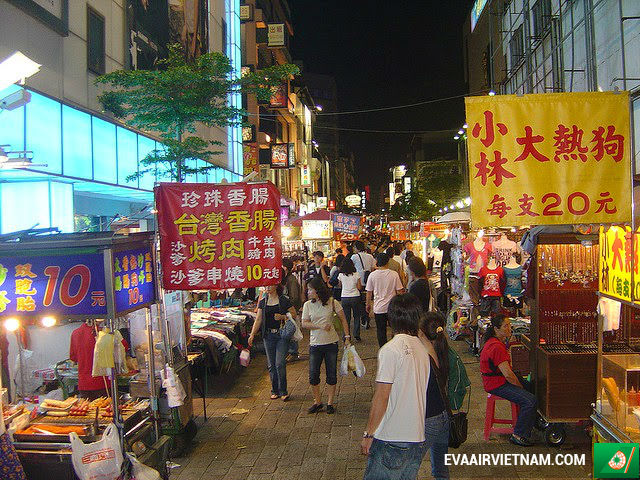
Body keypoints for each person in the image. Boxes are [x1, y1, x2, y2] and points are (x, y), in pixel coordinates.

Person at [361, 294, 431, 480]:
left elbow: (382, 396)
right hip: (416, 437)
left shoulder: (390, 350)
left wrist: (369, 433)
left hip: (391, 437)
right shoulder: (423, 350)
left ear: (391, 318)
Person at [480, 314, 536, 446]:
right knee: (530, 400)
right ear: (496, 329)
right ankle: (518, 434)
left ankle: (532, 422)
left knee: (532, 387)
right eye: (506, 326)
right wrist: (519, 387)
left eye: (509, 325)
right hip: (496, 384)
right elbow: (508, 376)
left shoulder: (495, 342)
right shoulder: (496, 347)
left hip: (497, 380)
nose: (509, 328)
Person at [301, 277, 351, 414]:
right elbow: (304, 323)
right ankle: (317, 401)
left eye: (310, 289)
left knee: (331, 374)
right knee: (313, 375)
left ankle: (330, 402)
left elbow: (343, 319)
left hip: (331, 343)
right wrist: (319, 326)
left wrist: (347, 338)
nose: (308, 291)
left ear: (317, 290)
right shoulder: (307, 305)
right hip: (315, 344)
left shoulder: (332, 303)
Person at [249, 284, 298, 401]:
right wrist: (252, 334)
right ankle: (274, 390)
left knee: (280, 363)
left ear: (276, 286)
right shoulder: (263, 301)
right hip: (268, 335)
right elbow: (259, 319)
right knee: (271, 365)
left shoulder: (284, 300)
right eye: (266, 286)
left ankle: (283, 391)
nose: (268, 287)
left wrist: (282, 316)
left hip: (281, 335)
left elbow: (294, 314)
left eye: (270, 285)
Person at [419, 312, 451, 480]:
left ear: (422, 333)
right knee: (441, 470)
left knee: (408, 465)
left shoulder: (424, 356)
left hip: (429, 418)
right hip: (443, 414)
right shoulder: (444, 350)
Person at [366, 253, 404, 347]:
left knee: (381, 330)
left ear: (377, 261)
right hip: (392, 307)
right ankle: (394, 346)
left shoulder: (372, 275)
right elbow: (399, 291)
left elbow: (369, 292)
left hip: (379, 308)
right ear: (388, 262)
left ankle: (383, 349)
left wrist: (368, 305)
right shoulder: (394, 274)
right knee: (395, 329)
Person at [338, 257, 364, 342]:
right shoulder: (356, 274)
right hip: (355, 296)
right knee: (356, 316)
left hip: (344, 297)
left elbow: (340, 286)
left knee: (346, 318)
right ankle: (356, 334)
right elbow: (359, 287)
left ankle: (346, 335)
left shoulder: (341, 275)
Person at [282, 258, 303, 361]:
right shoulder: (286, 279)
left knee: (291, 331)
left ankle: (293, 353)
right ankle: (291, 352)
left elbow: (294, 297)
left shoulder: (291, 280)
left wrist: (289, 307)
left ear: (285, 267)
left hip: (291, 309)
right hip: (289, 309)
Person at [352, 241, 376, 328]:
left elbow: (351, 267)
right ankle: (366, 317)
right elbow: (373, 268)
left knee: (361, 301)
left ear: (357, 248)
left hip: (359, 281)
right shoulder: (370, 256)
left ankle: (364, 318)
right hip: (369, 280)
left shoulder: (354, 257)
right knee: (367, 299)